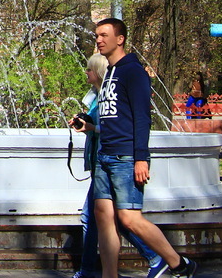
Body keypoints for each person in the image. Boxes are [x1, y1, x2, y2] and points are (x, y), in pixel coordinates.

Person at [92, 18, 196, 278]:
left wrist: (141, 158)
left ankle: (178, 264)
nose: (99, 40)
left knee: (129, 218)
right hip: (105, 155)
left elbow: (142, 117)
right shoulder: (111, 71)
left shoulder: (133, 71)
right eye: (97, 35)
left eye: (104, 35)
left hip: (125, 156)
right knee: (103, 216)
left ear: (120, 39)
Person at [69, 53, 163, 278]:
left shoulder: (117, 88)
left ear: (98, 72)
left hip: (114, 159)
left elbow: (122, 124)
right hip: (102, 161)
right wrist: (86, 123)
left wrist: (140, 158)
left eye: (90, 69)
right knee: (105, 218)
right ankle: (94, 270)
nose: (86, 72)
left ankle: (160, 259)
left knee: (114, 218)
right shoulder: (96, 96)